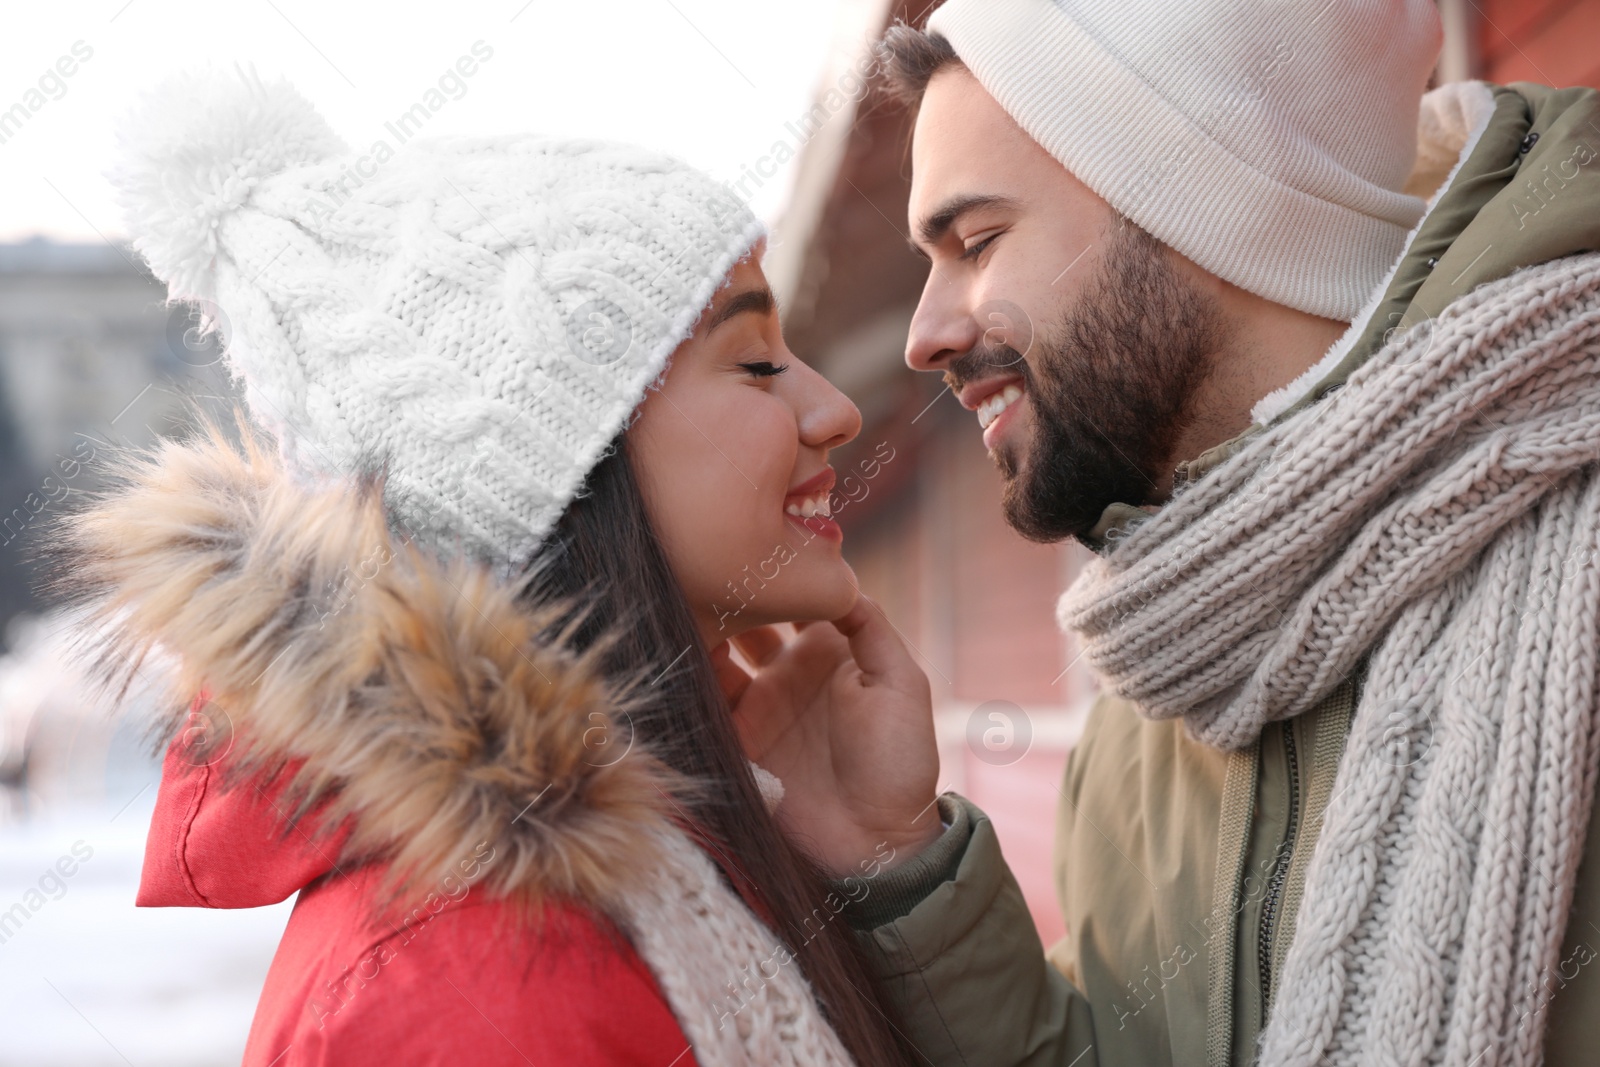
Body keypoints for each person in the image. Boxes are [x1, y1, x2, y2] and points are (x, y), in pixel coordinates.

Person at [733, 1, 1600, 1066]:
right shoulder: (1160, 682)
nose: (925, 335)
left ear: (1208, 204)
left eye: (976, 242)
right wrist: (902, 866)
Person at [56, 69, 942, 1067]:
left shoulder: (666, 852)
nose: (835, 411)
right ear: (554, 469)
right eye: (754, 361)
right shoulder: (473, 990)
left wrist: (884, 862)